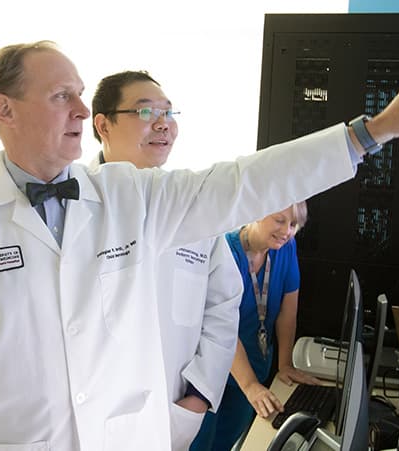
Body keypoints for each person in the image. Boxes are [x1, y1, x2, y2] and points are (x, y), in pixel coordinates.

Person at [0, 40, 399, 451]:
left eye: (82, 94)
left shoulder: (131, 196)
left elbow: (244, 181)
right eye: (63, 95)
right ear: (4, 109)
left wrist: (372, 132)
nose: (82, 109)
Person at [89, 70, 244, 450]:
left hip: (172, 411)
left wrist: (199, 395)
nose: (163, 125)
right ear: (103, 125)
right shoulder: (72, 208)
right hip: (90, 418)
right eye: (145, 113)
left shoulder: (193, 207)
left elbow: (222, 305)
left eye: (169, 114)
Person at [190, 202, 321, 450]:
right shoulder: (225, 249)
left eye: (293, 224)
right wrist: (249, 384)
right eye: (279, 220)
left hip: (253, 368)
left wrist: (284, 365)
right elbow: (221, 326)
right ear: (257, 210)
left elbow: (287, 311)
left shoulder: (285, 247)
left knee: (228, 442)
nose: (286, 231)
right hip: (213, 370)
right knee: (200, 444)